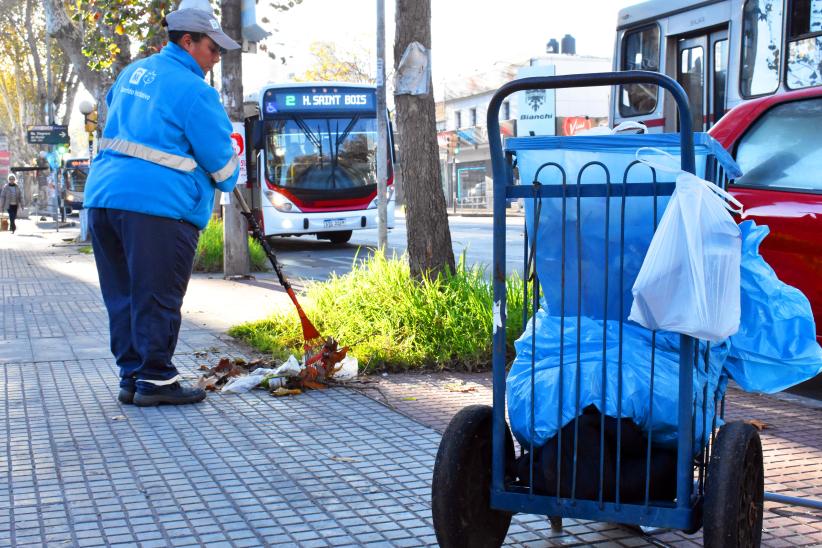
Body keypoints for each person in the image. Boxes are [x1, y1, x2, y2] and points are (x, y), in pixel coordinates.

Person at [83, 1, 241, 407]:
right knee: (157, 294)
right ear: (188, 41)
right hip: (157, 208)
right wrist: (231, 162)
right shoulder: (194, 91)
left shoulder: (132, 72)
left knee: (123, 294)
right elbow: (223, 170)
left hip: (102, 200)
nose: (216, 57)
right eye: (212, 48)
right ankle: (155, 379)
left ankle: (132, 376)